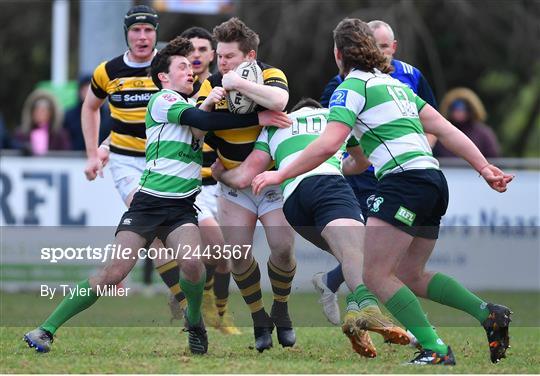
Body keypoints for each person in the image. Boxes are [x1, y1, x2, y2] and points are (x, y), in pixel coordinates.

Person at [251, 18, 513, 365]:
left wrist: (278, 174)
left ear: (338, 54)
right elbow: (445, 129)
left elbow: (328, 144)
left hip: (404, 182)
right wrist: (483, 167)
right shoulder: (397, 87)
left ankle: (434, 348)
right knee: (409, 275)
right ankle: (487, 314)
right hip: (433, 182)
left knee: (373, 274)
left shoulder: (350, 88)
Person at [23, 36, 291, 355]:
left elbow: (205, 119)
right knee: (114, 272)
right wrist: (257, 116)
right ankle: (46, 330)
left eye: (193, 66)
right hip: (148, 205)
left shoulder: (191, 106)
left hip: (181, 210)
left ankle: (194, 321)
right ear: (164, 77)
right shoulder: (162, 100)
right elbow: (203, 121)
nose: (191, 71)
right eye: (182, 66)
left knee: (193, 265)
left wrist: (227, 99)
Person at [211, 97, 411, 357]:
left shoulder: (276, 125)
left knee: (288, 250)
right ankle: (358, 309)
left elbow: (243, 175)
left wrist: (219, 173)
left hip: (287, 191)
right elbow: (361, 161)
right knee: (356, 253)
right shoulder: (333, 118)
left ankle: (287, 308)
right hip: (309, 185)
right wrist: (335, 163)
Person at [314, 19, 440, 326]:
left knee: (385, 259)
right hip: (365, 177)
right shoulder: (344, 84)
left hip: (404, 175)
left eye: (385, 46)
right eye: (374, 45)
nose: (379, 51)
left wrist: (419, 152)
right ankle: (368, 314)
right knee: (373, 257)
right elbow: (330, 134)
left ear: (394, 47)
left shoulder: (409, 77)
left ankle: (335, 286)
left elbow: (434, 124)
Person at [80, 5, 190, 317]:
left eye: (148, 30)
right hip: (127, 162)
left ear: (156, 33)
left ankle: (184, 289)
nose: (142, 37)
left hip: (167, 161)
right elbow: (90, 108)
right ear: (126, 34)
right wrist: (94, 152)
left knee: (178, 236)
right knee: (153, 226)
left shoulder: (168, 68)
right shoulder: (109, 71)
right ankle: (181, 295)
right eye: (135, 31)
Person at [197, 17, 296, 352]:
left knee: (282, 248)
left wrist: (240, 83)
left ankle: (280, 308)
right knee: (238, 255)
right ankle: (258, 318)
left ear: (250, 56)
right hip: (232, 185)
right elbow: (197, 129)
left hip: (270, 181)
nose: (221, 63)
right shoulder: (211, 84)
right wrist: (212, 101)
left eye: (229, 57)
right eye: (220, 56)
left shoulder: (270, 74)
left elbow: (279, 102)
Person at [179, 26, 241, 335]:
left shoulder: (226, 87)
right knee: (217, 250)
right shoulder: (178, 90)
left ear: (212, 55)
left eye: (204, 49)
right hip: (193, 186)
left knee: (225, 259)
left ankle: (219, 312)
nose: (198, 55)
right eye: (192, 50)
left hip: (224, 182)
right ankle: (197, 306)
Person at [434, 87, 500, 158]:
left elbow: (493, 158)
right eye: (455, 108)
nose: (459, 112)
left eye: (463, 109)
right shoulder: (439, 134)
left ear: (471, 110)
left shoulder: (483, 134)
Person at [14, 89, 70, 155]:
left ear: (51, 113)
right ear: (31, 112)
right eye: (37, 110)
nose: (39, 113)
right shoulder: (22, 134)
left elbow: (66, 155)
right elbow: (13, 148)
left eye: (43, 110)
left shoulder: (60, 135)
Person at [63, 75, 112, 151]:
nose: (87, 94)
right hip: (73, 159)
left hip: (102, 158)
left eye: (91, 91)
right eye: (84, 90)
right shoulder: (69, 115)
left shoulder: (109, 115)